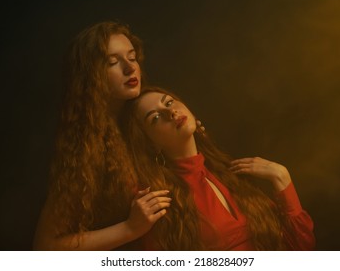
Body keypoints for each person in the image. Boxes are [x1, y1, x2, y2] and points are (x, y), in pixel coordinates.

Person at [119, 86, 315, 250]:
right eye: (155, 118)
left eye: (169, 102)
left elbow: (302, 249)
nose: (170, 112)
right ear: (150, 143)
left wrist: (282, 177)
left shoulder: (229, 173)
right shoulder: (159, 201)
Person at [33, 21, 172, 250]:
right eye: (112, 62)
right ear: (90, 77)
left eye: (132, 57)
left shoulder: (142, 118)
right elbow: (45, 246)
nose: (130, 68)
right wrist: (130, 228)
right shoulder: (88, 147)